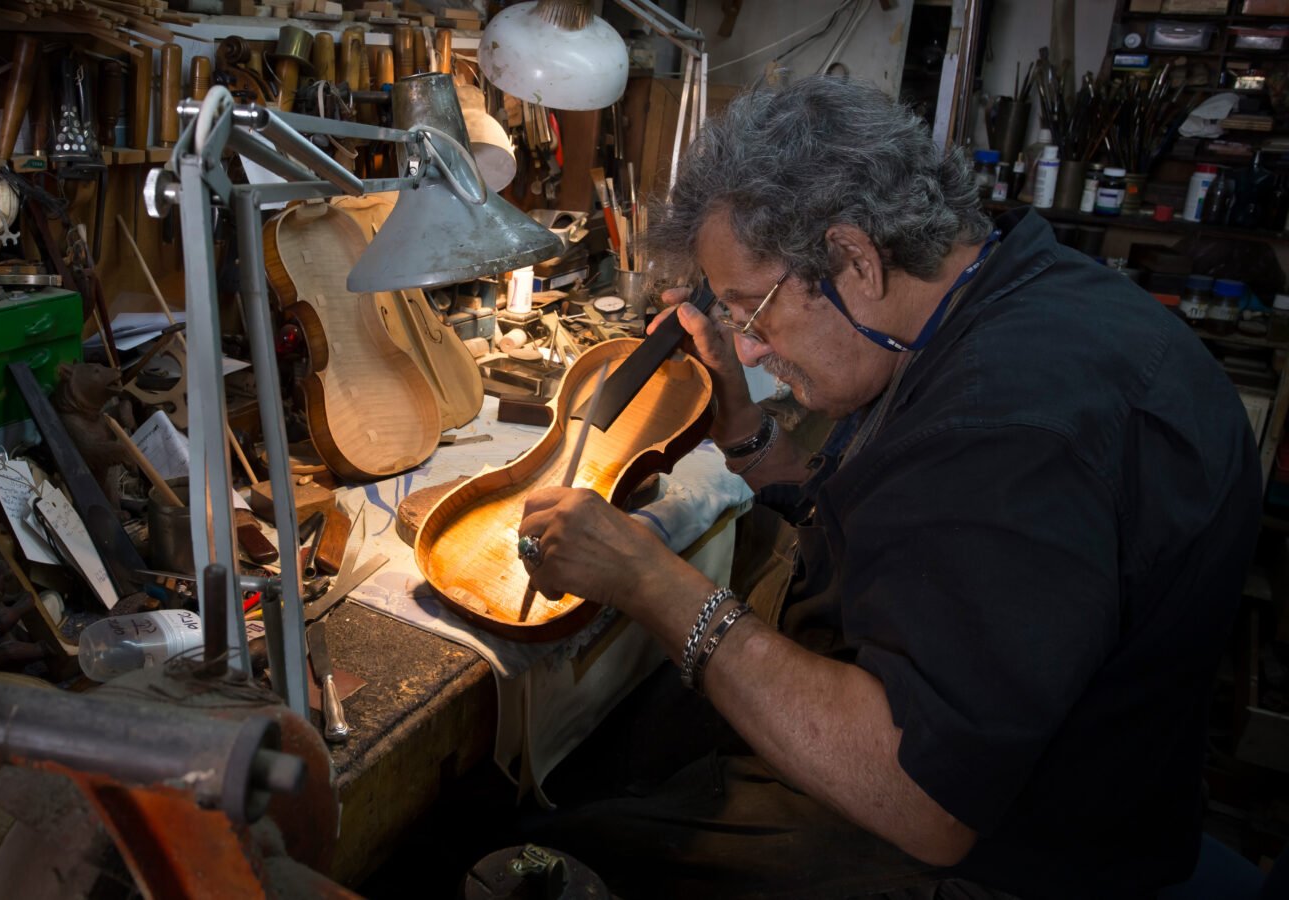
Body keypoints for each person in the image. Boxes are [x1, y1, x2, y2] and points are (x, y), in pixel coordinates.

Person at [514, 76, 1261, 898]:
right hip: (1061, 780)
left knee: (558, 851)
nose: (751, 349)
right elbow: (918, 527)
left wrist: (652, 583)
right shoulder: (1025, 296)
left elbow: (924, 795)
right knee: (644, 757)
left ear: (855, 260)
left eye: (751, 310)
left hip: (1013, 857)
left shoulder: (1003, 430)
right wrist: (746, 439)